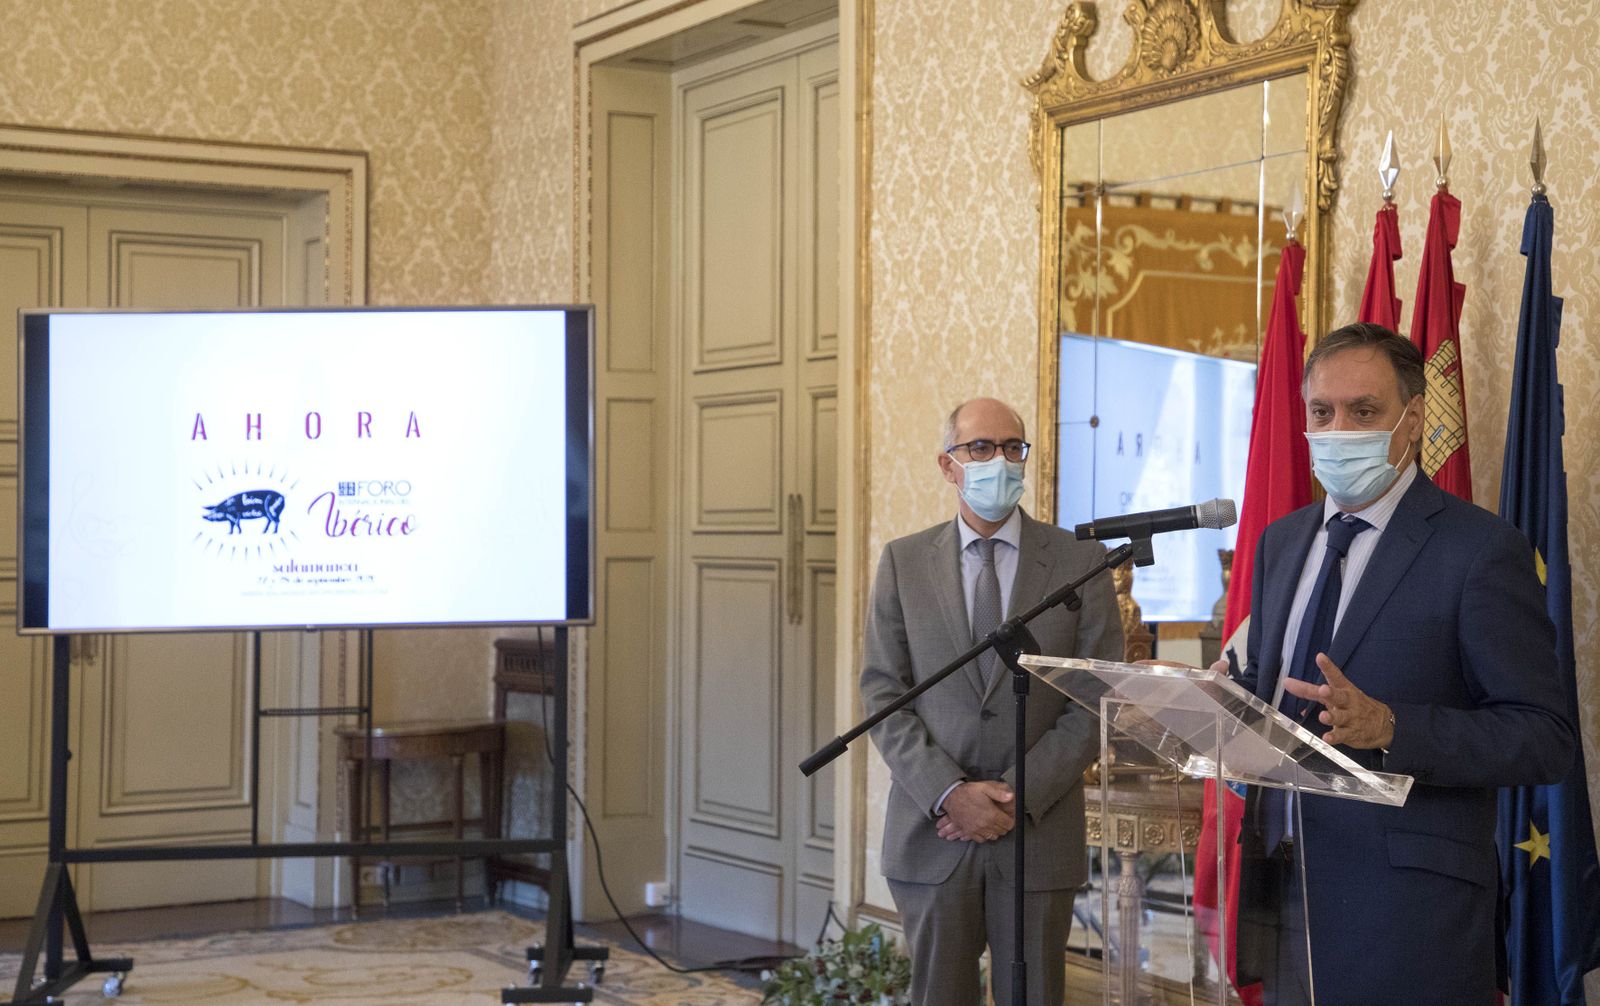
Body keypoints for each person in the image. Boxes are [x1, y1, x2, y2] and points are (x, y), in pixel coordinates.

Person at [1233, 323, 1576, 1005]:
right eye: (1321, 413)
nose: (1338, 431)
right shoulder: (1281, 542)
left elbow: (1545, 738)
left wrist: (1393, 727)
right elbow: (1281, 701)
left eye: (1364, 412)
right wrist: (1225, 704)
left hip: (1410, 919)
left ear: (1413, 419)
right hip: (1283, 900)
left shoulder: (1480, 550)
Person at [860, 397, 1124, 1006]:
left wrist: (1012, 796)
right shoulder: (903, 562)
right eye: (980, 448)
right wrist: (949, 792)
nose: (998, 461)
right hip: (934, 836)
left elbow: (1093, 697)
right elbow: (882, 691)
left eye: (1012, 448)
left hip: (1037, 835)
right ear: (948, 466)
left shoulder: (1079, 563)